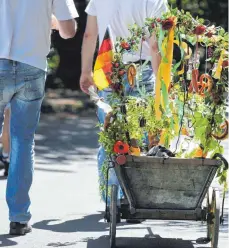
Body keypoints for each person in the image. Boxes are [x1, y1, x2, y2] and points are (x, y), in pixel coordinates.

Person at [0, 0, 78, 236]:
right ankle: (19, 218)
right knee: (23, 142)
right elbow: (69, 30)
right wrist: (49, 22)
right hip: (31, 66)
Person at [80, 0, 168, 206]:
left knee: (110, 134)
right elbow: (155, 46)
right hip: (144, 70)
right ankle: (135, 198)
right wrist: (161, 89)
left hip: (108, 68)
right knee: (142, 135)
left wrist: (86, 72)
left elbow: (89, 35)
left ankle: (111, 200)